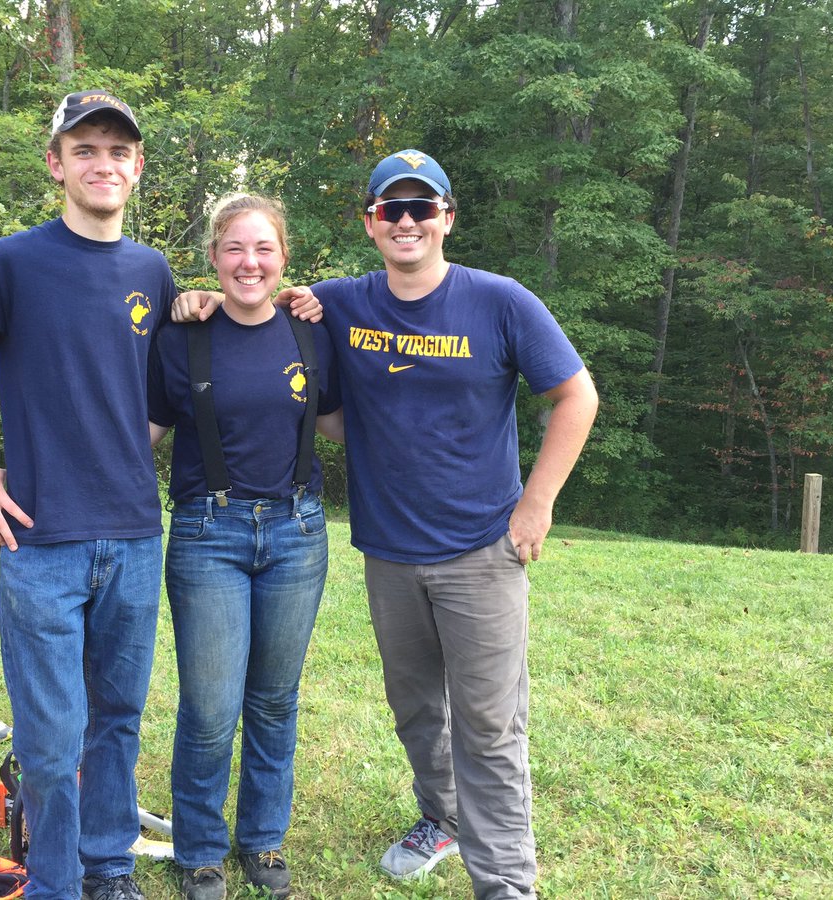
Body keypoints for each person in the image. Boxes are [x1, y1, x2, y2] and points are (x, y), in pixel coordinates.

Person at [176, 150, 598, 899]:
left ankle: (505, 882)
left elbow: (576, 395)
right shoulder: (339, 302)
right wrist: (198, 298)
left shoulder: (501, 301)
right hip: (389, 552)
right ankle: (440, 817)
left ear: (446, 218)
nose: (407, 221)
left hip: (481, 550)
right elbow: (265, 303)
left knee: (490, 722)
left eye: (422, 208)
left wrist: (537, 502)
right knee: (416, 710)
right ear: (371, 222)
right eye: (391, 209)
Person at [0, 91, 175, 900]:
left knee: (117, 721)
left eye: (118, 151)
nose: (103, 163)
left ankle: (109, 869)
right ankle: (55, 883)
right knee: (54, 741)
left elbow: (157, 396)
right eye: (84, 149)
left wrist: (123, 450)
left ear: (137, 169)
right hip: (40, 543)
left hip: (133, 536)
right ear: (56, 164)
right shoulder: (11, 261)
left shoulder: (152, 271)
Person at [147, 194, 342, 900]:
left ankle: (262, 841)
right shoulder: (180, 337)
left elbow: (344, 424)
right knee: (209, 706)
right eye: (234, 248)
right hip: (208, 534)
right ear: (213, 258)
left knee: (273, 701)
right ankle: (199, 849)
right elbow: (140, 436)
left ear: (284, 258)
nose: (249, 262)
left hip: (297, 532)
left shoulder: (312, 332)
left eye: (263, 248)